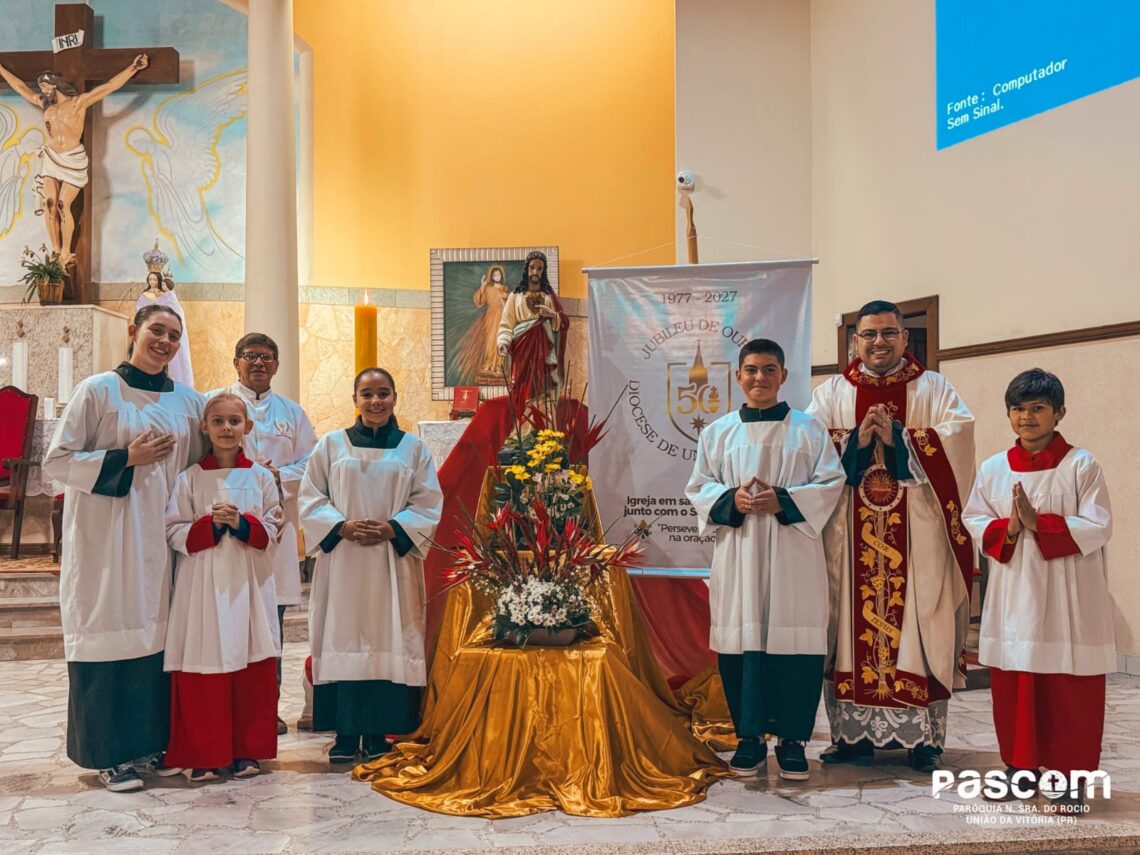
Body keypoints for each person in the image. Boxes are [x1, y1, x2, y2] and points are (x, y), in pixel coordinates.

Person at [807, 300, 975, 773]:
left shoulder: (935, 388)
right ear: (853, 341)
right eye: (869, 335)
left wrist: (901, 439)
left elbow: (959, 436)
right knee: (846, 629)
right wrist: (854, 442)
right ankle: (852, 737)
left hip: (918, 539)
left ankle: (924, 741)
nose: (878, 342)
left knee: (920, 629)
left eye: (888, 333)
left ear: (905, 338)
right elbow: (807, 448)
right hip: (847, 537)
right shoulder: (832, 392)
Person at [42, 303, 205, 792]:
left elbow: (199, 466)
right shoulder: (98, 391)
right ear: (134, 332)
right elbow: (58, 461)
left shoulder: (189, 401)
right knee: (110, 632)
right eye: (157, 331)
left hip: (162, 538)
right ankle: (110, 756)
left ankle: (151, 746)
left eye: (174, 336)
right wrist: (124, 457)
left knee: (155, 640)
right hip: (107, 539)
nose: (165, 342)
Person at [686, 339, 845, 780]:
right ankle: (749, 738)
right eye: (751, 370)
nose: (760, 378)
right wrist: (731, 499)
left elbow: (831, 482)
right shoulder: (717, 433)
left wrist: (784, 501)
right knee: (743, 640)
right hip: (740, 554)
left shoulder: (809, 431)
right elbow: (699, 487)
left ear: (783, 376)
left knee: (795, 642)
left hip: (793, 552)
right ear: (738, 377)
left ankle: (792, 741)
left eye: (769, 369)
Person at [963, 369, 1114, 810]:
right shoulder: (993, 468)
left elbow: (1100, 525)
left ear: (1058, 413)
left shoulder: (1081, 465)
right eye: (1018, 409)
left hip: (1069, 596)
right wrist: (1007, 527)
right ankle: (1019, 769)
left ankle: (1071, 778)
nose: (1026, 418)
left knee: (1069, 687)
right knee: (1016, 682)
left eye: (1037, 409)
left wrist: (1040, 524)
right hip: (1015, 594)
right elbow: (974, 520)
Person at [299, 368, 443, 764]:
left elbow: (428, 502)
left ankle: (379, 733)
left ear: (395, 397)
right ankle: (345, 734)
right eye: (367, 394)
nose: (376, 401)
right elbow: (310, 498)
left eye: (383, 393)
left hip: (390, 564)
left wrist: (393, 529)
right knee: (341, 635)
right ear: (355, 399)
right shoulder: (331, 446)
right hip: (343, 561)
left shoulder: (413, 449)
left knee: (388, 637)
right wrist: (340, 526)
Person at [164, 393, 283, 782]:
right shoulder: (190, 478)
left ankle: (246, 751)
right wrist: (211, 526)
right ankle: (205, 753)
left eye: (235, 421)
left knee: (250, 661)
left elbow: (274, 527)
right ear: (204, 427)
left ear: (248, 427)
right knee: (205, 661)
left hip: (248, 584)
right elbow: (173, 530)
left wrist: (243, 523)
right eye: (218, 421)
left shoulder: (262, 478)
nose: (227, 428)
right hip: (202, 588)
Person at [209, 333, 317, 734]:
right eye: (250, 356)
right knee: (225, 618)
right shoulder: (216, 404)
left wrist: (275, 475)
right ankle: (223, 708)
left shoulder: (292, 414)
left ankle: (263, 711)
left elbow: (311, 465)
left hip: (274, 533)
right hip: (222, 529)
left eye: (267, 357)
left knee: (271, 623)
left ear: (277, 365)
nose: (259, 363)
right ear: (235, 361)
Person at [0, 54, 149, 266]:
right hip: (52, 158)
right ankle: (55, 250)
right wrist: (1, 70)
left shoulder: (79, 103)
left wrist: (133, 68)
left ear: (55, 84)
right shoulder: (45, 106)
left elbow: (109, 86)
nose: (42, 90)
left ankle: (67, 252)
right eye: (41, 87)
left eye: (45, 85)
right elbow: (21, 87)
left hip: (72, 159)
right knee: (49, 203)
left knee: (62, 204)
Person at [496, 250, 568, 407]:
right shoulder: (516, 296)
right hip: (522, 351)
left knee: (545, 386)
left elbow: (564, 322)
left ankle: (545, 425)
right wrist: (503, 342)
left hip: (545, 351)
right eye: (532, 267)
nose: (535, 272)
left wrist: (551, 315)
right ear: (527, 269)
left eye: (539, 268)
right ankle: (522, 428)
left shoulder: (549, 296)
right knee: (522, 389)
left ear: (543, 271)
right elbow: (506, 324)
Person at [452, 263, 511, 385]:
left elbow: (509, 304)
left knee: (500, 341)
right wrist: (483, 286)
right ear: (492, 276)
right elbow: (479, 301)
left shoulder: (504, 289)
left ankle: (499, 366)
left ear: (501, 276)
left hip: (501, 317)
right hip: (490, 317)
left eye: (499, 274)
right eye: (495, 274)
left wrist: (505, 298)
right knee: (490, 341)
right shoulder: (488, 289)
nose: (497, 276)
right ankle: (490, 364)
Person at [137, 269, 194, 388]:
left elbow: (176, 312)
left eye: (155, 279)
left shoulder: (167, 296)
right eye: (150, 279)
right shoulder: (145, 295)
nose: (153, 282)